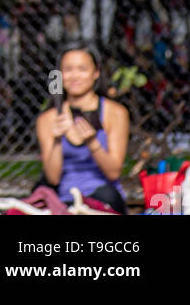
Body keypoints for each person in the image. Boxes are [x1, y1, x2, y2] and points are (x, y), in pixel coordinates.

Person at [34, 43, 130, 214]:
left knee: (105, 197)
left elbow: (114, 172)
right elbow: (53, 178)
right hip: (65, 200)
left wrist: (92, 142)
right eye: (68, 69)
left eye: (82, 69)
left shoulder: (115, 112)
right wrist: (57, 140)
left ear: (96, 73)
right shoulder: (47, 119)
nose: (74, 76)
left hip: (103, 198)